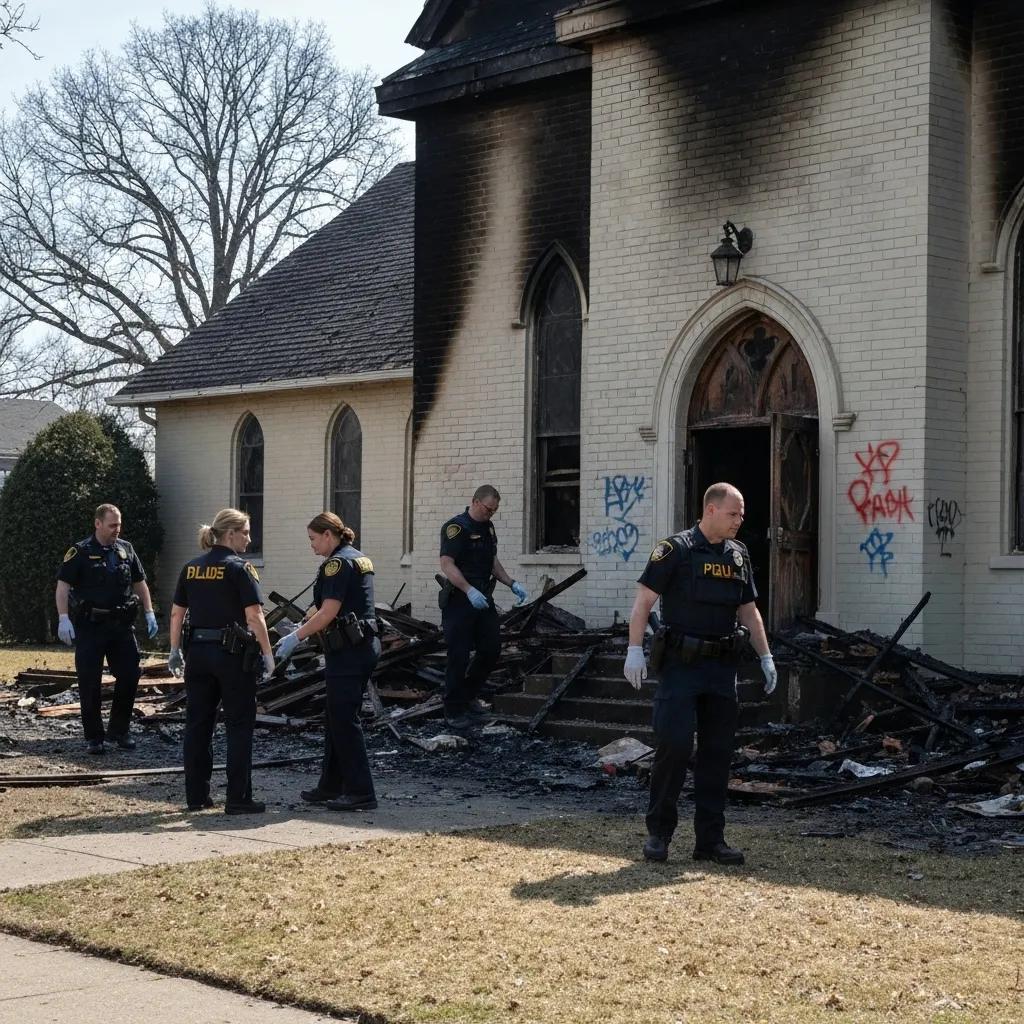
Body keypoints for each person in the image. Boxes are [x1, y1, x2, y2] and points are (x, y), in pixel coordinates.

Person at [624, 483, 777, 865]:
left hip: (722, 668)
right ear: (711, 510)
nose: (739, 521)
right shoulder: (675, 550)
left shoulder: (738, 555)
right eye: (733, 514)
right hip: (681, 667)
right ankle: (659, 835)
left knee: (717, 754)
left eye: (741, 515)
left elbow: (748, 611)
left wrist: (766, 656)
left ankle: (710, 841)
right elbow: (644, 602)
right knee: (674, 747)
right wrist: (633, 650)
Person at [167, 508, 274, 814]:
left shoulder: (191, 568)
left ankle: (196, 796)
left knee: (198, 724)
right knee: (239, 724)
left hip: (197, 654)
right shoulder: (240, 569)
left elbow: (177, 613)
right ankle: (238, 798)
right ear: (230, 534)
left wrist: (175, 650)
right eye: (246, 532)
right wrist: (268, 654)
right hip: (231, 656)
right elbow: (254, 616)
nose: (249, 539)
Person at [274, 512, 380, 811]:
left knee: (345, 720)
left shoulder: (337, 564)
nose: (311, 546)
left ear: (328, 535)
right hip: (360, 646)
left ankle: (361, 792)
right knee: (336, 718)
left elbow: (329, 611)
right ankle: (330, 785)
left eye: (312, 539)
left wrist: (298, 637)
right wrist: (302, 625)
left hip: (349, 650)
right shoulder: (357, 558)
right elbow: (324, 605)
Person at [55, 503, 158, 754]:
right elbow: (62, 587)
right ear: (98, 523)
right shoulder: (80, 551)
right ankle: (94, 737)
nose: (117, 530)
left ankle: (119, 731)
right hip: (91, 627)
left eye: (119, 525)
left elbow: (139, 583)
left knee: (130, 675)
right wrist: (63, 618)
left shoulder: (126, 549)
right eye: (112, 525)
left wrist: (149, 611)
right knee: (90, 681)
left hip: (121, 626)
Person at [438, 485, 528, 730]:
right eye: (488, 509)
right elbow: (447, 564)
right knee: (458, 654)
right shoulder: (456, 528)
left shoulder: (487, 528)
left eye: (495, 510)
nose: (491, 514)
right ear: (475, 501)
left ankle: (468, 697)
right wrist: (468, 590)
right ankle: (453, 709)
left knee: (491, 649)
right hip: (460, 599)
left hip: (482, 599)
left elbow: (492, 561)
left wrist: (511, 583)